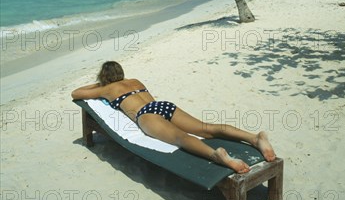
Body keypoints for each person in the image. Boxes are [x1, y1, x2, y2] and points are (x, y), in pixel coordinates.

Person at [72, 61, 276, 174]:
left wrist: (99, 84)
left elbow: (76, 93)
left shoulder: (107, 89)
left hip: (147, 114)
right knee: (206, 128)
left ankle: (216, 156)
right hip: (162, 105)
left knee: (181, 138)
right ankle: (254, 138)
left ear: (104, 76)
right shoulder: (134, 81)